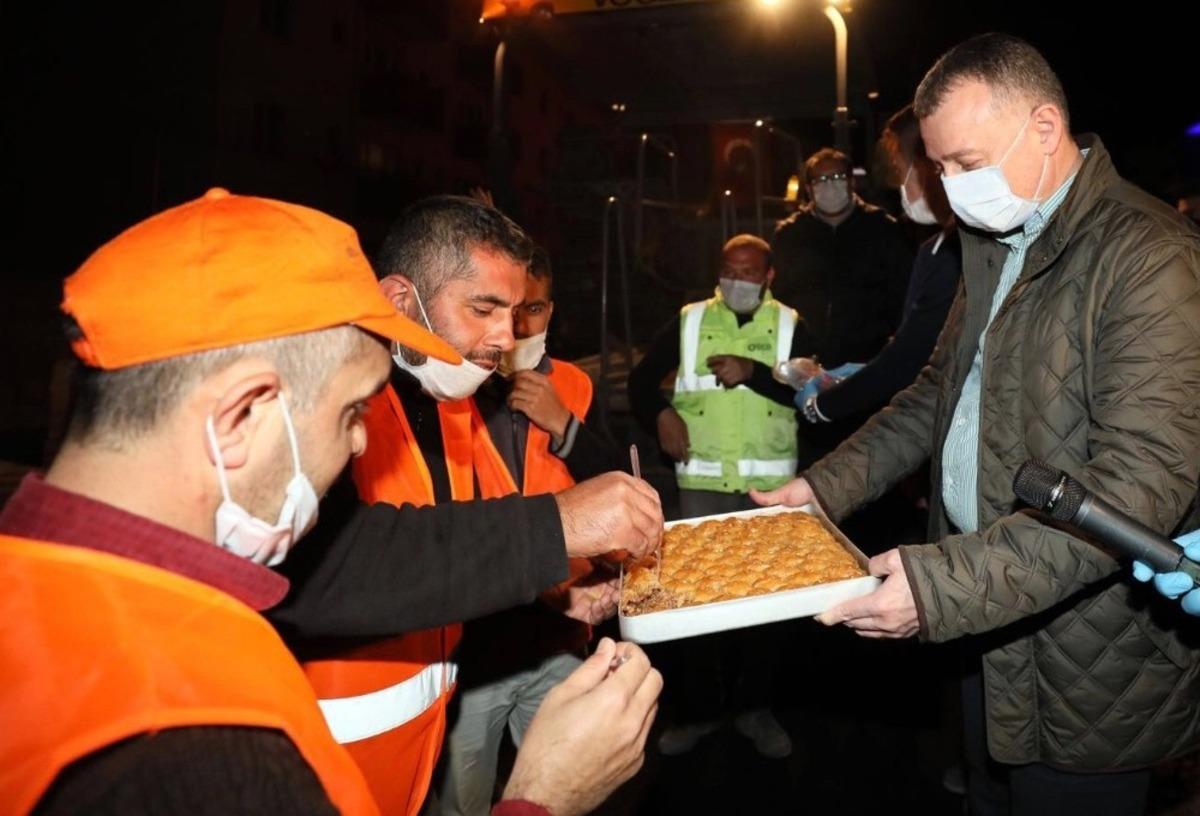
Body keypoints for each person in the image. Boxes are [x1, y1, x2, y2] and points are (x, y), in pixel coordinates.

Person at [0, 188, 662, 816]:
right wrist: (538, 797)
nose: (357, 442)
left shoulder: (59, 597)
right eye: (350, 411)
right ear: (240, 416)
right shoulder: (180, 737)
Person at [754, 34, 1200, 816]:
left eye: (965, 162)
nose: (952, 188)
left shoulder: (1152, 258)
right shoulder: (1001, 244)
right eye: (939, 167)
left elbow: (1138, 489)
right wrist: (822, 490)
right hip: (986, 616)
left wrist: (938, 589)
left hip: (1088, 651)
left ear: (1044, 128)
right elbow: (938, 395)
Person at [282, 196, 661, 815]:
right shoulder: (324, 405)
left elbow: (461, 545)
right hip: (318, 773)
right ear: (402, 301)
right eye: (483, 309)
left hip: (417, 750)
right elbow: (335, 563)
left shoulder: (451, 404)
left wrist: (551, 586)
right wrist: (556, 527)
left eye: (515, 314)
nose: (505, 338)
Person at [438, 246, 623, 815]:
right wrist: (545, 583)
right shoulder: (449, 390)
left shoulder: (574, 384)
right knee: (463, 802)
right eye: (506, 311)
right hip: (478, 656)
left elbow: (619, 480)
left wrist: (564, 423)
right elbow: (443, 533)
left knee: (568, 793)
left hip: (562, 645)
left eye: (534, 311)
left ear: (551, 311)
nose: (518, 329)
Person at [628, 234, 815, 758]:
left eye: (750, 272)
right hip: (703, 488)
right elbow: (641, 383)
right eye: (729, 269)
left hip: (769, 492)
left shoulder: (791, 326)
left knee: (765, 605)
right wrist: (661, 414)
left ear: (769, 276)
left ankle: (755, 710)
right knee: (697, 606)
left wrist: (755, 375)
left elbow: (816, 394)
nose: (738, 280)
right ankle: (699, 713)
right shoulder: (689, 320)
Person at [794, 105, 961, 426]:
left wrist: (824, 405)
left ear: (928, 167)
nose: (900, 183)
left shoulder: (950, 254)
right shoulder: (943, 247)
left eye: (900, 169)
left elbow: (911, 356)